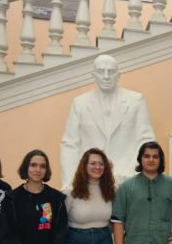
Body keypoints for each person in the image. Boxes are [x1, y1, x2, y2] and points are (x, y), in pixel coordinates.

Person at [60, 55, 156, 186]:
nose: (106, 76)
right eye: (101, 71)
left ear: (118, 75)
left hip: (128, 180)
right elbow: (70, 144)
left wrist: (132, 173)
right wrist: (71, 183)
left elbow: (146, 141)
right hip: (90, 182)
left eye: (111, 71)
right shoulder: (80, 103)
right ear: (93, 75)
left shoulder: (136, 100)